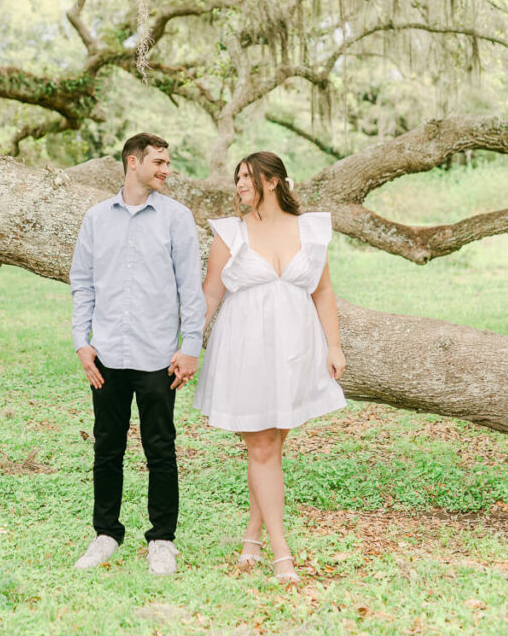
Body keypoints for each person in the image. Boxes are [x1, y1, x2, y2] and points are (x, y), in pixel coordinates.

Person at [191, 151, 346, 584]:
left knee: (273, 447)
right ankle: (282, 555)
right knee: (261, 447)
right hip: (246, 350)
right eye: (237, 177)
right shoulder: (230, 234)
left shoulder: (310, 230)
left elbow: (323, 291)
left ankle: (251, 539)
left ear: (273, 181)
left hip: (296, 349)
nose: (240, 184)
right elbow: (211, 296)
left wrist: (334, 346)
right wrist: (188, 346)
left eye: (248, 177)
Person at [70, 132, 205, 576]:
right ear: (133, 162)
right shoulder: (95, 218)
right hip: (106, 354)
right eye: (159, 162)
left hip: (157, 357)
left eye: (168, 162)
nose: (166, 169)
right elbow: (83, 283)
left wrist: (190, 348)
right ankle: (105, 533)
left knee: (160, 449)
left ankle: (162, 539)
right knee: (107, 449)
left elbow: (191, 289)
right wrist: (81, 341)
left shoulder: (176, 218)